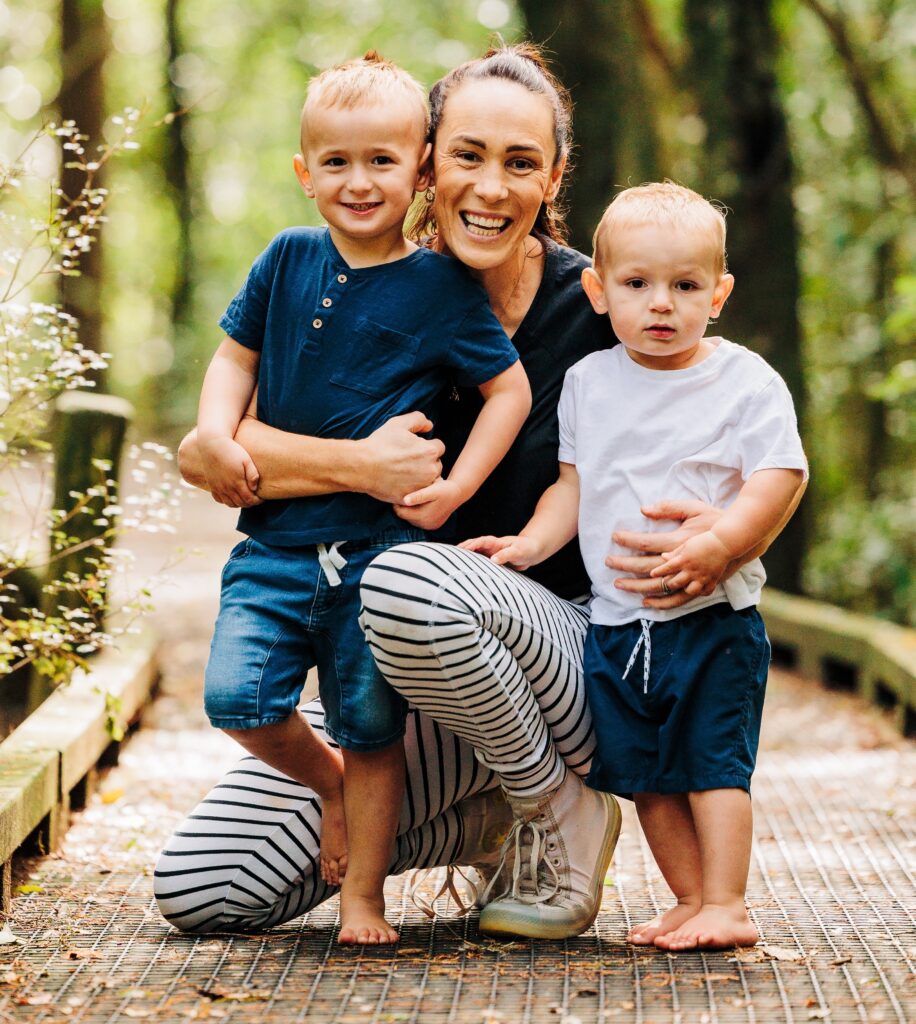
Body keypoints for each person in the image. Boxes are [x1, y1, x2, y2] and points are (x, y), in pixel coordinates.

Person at [156, 43, 805, 942]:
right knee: (206, 890)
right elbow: (214, 448)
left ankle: (558, 808)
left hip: (569, 660)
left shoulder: (610, 304)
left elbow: (744, 428)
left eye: (521, 162)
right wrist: (359, 467)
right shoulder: (364, 283)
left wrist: (727, 535)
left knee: (408, 580)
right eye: (467, 154)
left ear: (554, 176)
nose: (491, 187)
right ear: (427, 159)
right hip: (391, 682)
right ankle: (490, 823)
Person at [193, 52, 530, 945]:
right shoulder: (286, 258)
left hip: (374, 557)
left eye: (382, 160)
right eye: (335, 162)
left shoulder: (443, 288)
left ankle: (363, 901)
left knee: (373, 728)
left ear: (420, 168)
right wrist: (217, 436)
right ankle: (324, 781)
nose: (358, 180)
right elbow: (235, 358)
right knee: (237, 699)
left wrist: (457, 484)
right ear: (305, 174)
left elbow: (510, 393)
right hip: (271, 547)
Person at [459, 182, 808, 947]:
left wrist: (723, 544)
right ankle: (689, 899)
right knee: (646, 773)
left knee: (713, 766)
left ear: (718, 294)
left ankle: (728, 901)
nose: (661, 305)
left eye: (685, 286)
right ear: (597, 289)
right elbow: (574, 487)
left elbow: (780, 475)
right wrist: (529, 544)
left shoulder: (744, 381)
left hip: (709, 619)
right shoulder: (590, 383)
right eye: (637, 284)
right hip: (617, 624)